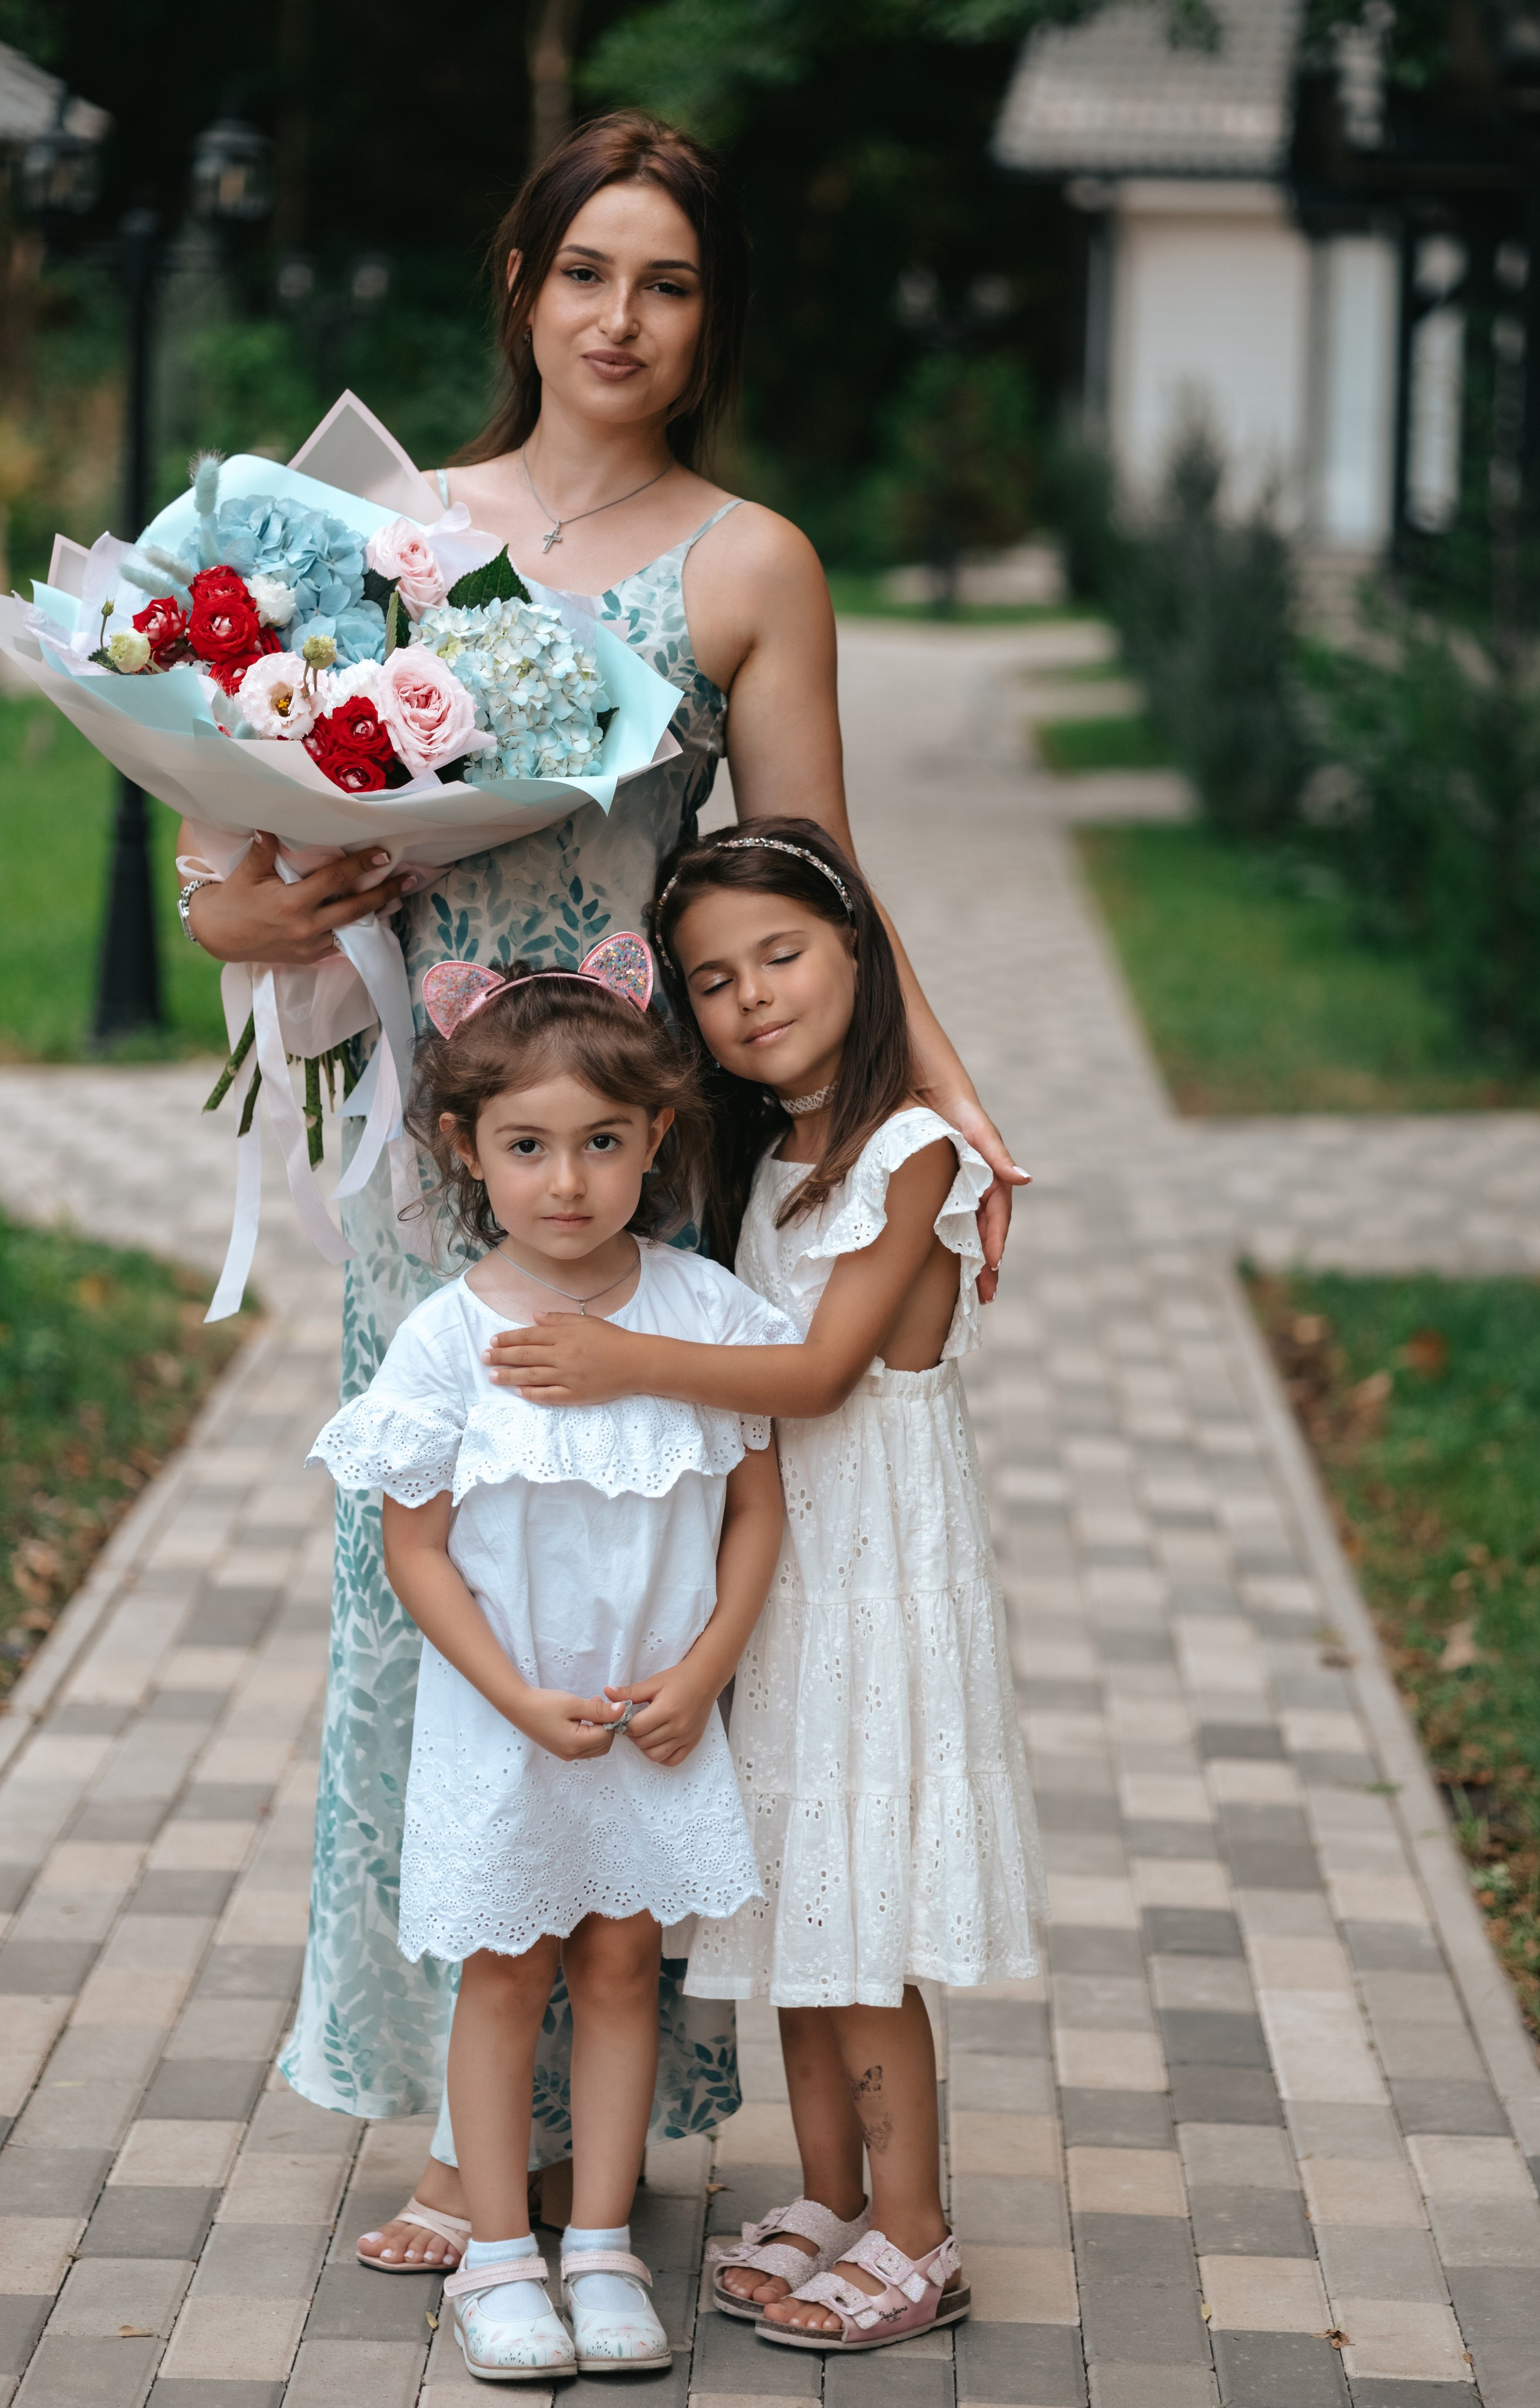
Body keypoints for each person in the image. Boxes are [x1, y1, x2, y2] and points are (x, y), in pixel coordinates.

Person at [174, 111, 1025, 2270]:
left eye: (666, 282)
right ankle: (472, 2131)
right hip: (438, 1167)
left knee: (640, 1611)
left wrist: (949, 1101)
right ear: (524, 285)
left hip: (651, 1168)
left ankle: (613, 2111)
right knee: (437, 1605)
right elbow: (232, 893)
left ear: (707, 312)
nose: (621, 319)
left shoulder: (751, 560)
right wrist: (277, 899)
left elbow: (815, 891)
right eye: (586, 274)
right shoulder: (388, 528)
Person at [483, 820, 1047, 2354]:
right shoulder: (777, 1148)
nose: (751, 1000)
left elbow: (810, 1373)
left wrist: (615, 1360)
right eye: (715, 982)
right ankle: (824, 2191)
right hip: (790, 1579)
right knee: (802, 1905)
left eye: (782, 957)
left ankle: (916, 2232)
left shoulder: (910, 1148)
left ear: (863, 952)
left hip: (875, 1575)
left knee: (860, 1915)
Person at [307, 939, 789, 2377]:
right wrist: (511, 1693)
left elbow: (757, 1511)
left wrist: (704, 1670)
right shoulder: (449, 1342)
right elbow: (416, 1550)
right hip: (504, 1722)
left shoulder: (700, 1314)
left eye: (599, 1144)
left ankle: (600, 2247)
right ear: (468, 1150)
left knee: (627, 1967)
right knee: (507, 1973)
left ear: (655, 1139)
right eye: (527, 1147)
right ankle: (500, 2257)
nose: (565, 1181)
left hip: (655, 1718)